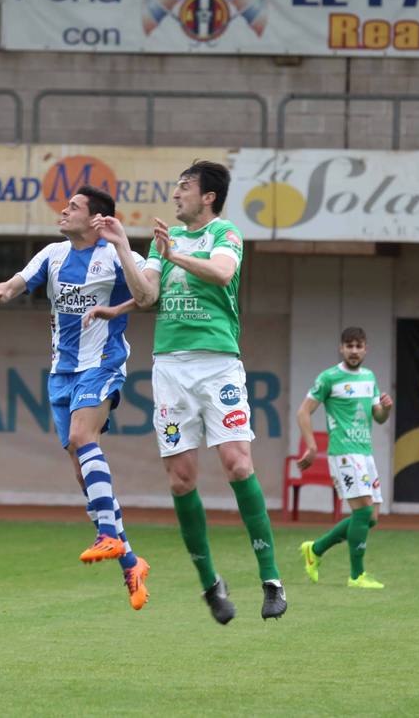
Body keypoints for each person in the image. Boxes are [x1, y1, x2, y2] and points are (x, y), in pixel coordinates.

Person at [95, 160, 287, 625]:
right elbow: (146, 298)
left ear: (208, 197)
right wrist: (123, 246)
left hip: (218, 365)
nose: (176, 193)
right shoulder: (164, 243)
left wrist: (172, 253)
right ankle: (210, 584)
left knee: (238, 463)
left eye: (185, 186)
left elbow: (221, 274)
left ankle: (271, 579)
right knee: (181, 479)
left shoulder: (227, 234)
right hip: (171, 370)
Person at [0, 187, 151, 611]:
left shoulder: (116, 256)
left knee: (81, 435)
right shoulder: (52, 254)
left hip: (103, 362)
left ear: (95, 219)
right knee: (80, 470)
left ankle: (108, 536)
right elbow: (18, 282)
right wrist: (1, 289)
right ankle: (130, 560)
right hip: (62, 372)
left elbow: (148, 296)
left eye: (73, 207)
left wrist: (122, 244)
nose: (63, 210)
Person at [296, 327, 393, 591]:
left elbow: (379, 417)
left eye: (358, 345)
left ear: (365, 349)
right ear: (341, 348)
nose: (353, 350)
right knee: (362, 511)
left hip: (365, 453)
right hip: (343, 453)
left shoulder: (369, 378)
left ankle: (315, 550)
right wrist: (313, 446)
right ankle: (357, 575)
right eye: (348, 346)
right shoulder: (329, 378)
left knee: (371, 517)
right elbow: (303, 412)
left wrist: (386, 408)